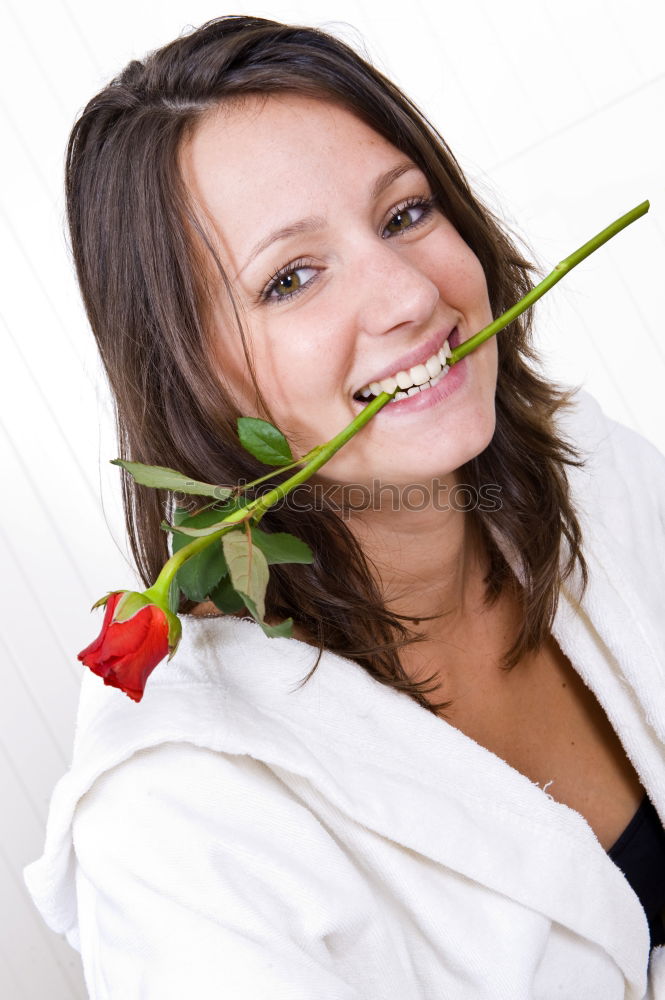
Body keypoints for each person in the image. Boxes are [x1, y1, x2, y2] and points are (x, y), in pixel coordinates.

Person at [23, 14, 665, 999]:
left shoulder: (588, 469)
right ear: (193, 380)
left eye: (404, 214)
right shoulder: (180, 817)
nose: (408, 294)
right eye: (290, 278)